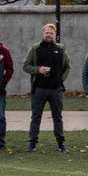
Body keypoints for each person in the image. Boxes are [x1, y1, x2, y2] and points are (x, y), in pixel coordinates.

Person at [23, 23, 69, 152]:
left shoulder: (60, 49)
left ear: (55, 35)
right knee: (36, 116)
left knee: (58, 116)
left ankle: (61, 143)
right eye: (47, 33)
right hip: (39, 89)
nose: (49, 35)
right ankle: (32, 143)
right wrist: (38, 70)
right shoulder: (35, 49)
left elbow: (68, 66)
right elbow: (25, 66)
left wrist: (62, 78)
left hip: (56, 89)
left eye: (51, 33)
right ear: (43, 34)